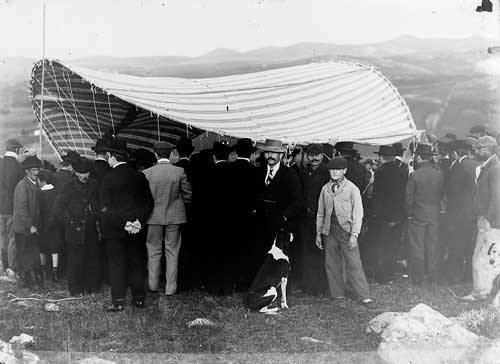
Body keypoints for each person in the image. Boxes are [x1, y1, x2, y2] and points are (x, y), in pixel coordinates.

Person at [99, 138, 154, 311]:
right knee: (136, 262)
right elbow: (148, 202)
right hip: (136, 229)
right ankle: (139, 299)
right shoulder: (139, 176)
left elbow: (106, 209)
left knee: (117, 265)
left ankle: (119, 301)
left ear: (111, 157)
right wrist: (138, 221)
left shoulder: (107, 179)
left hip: (115, 230)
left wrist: (124, 224)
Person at [316, 157, 374, 307]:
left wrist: (354, 234)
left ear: (344, 171)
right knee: (332, 262)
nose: (334, 172)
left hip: (346, 230)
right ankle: (338, 294)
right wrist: (318, 233)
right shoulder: (325, 189)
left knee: (353, 262)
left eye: (338, 169)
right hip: (329, 230)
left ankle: (363, 296)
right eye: (331, 169)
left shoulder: (352, 188)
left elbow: (358, 213)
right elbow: (320, 213)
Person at [143, 141, 192, 296]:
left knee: (153, 251)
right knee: (172, 252)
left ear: (156, 154)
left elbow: (143, 198)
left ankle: (152, 284)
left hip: (153, 217)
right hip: (174, 217)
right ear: (171, 154)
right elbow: (188, 195)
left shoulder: (147, 173)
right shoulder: (179, 171)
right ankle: (171, 288)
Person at [254, 139, 303, 278]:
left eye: (274, 153)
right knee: (260, 255)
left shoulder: (290, 174)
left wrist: (284, 217)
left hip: (280, 225)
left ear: (281, 155)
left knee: (279, 258)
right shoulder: (259, 172)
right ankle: (260, 286)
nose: (270, 155)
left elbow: (298, 201)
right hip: (261, 223)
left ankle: (278, 287)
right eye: (267, 152)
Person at [53, 158, 101, 295]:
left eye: (87, 173)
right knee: (75, 260)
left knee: (91, 258)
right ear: (76, 172)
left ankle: (91, 287)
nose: (85, 176)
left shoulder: (95, 185)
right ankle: (75, 289)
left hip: (91, 229)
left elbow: (100, 204)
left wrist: (95, 211)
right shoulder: (67, 187)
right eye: (81, 173)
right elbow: (58, 209)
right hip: (74, 230)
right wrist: (70, 221)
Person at [461, 136, 500, 301]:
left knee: (482, 257)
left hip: (490, 221)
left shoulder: (494, 169)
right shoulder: (489, 167)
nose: (475, 151)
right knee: (488, 255)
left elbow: (497, 197)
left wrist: (488, 218)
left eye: (479, 148)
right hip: (489, 220)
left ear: (489, 149)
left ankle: (481, 291)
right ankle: (488, 289)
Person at [405, 144, 444, 285]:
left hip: (418, 214)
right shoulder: (439, 174)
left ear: (419, 157)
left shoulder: (414, 175)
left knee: (417, 245)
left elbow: (408, 198)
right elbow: (441, 195)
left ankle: (418, 277)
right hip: (434, 214)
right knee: (432, 245)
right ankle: (432, 277)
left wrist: (409, 213)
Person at [371, 145, 408, 283]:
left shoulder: (380, 171)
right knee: (393, 245)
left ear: (381, 157)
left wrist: (376, 213)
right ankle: (390, 272)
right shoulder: (401, 170)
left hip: (384, 216)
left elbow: (377, 195)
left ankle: (381, 275)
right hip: (398, 215)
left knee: (381, 245)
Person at [443, 139, 478, 283]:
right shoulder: (476, 165)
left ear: (455, 153)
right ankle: (469, 276)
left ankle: (453, 275)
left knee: (456, 245)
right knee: (471, 247)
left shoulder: (459, 167)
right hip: (473, 212)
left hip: (458, 214)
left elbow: (453, 192)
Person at [297, 143, 329, 296]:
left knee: (320, 251)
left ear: (322, 155)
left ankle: (321, 286)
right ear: (307, 156)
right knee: (306, 250)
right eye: (311, 155)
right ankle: (308, 284)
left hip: (322, 218)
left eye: (317, 155)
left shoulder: (328, 173)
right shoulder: (303, 172)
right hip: (305, 218)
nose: (314, 158)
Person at [228, 138, 259, 291]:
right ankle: (244, 282)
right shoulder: (255, 171)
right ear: (251, 154)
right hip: (248, 217)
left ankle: (232, 279)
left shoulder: (229, 168)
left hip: (231, 215)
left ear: (236, 152)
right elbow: (258, 195)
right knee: (246, 248)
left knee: (231, 247)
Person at [206, 141, 234, 295]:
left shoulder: (208, 172)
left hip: (213, 221)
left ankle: (214, 287)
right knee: (229, 253)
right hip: (231, 220)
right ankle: (228, 287)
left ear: (214, 156)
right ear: (229, 155)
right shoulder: (235, 172)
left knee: (214, 253)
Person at [12, 155, 43, 287]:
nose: (36, 172)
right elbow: (21, 209)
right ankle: (26, 281)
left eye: (37, 169)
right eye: (33, 170)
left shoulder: (33, 184)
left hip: (30, 226)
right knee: (25, 253)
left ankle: (29, 280)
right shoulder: (22, 186)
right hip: (23, 227)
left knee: (30, 252)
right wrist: (30, 225)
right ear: (27, 171)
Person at [0, 138, 25, 273]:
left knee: (1, 237)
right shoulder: (19, 167)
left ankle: (3, 266)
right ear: (16, 149)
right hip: (11, 208)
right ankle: (11, 267)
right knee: (11, 238)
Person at [37, 169, 61, 282]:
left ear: (42, 181)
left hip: (43, 224)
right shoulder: (56, 192)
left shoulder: (39, 193)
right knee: (54, 248)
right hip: (55, 224)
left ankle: (43, 272)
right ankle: (55, 271)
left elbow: (38, 211)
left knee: (42, 248)